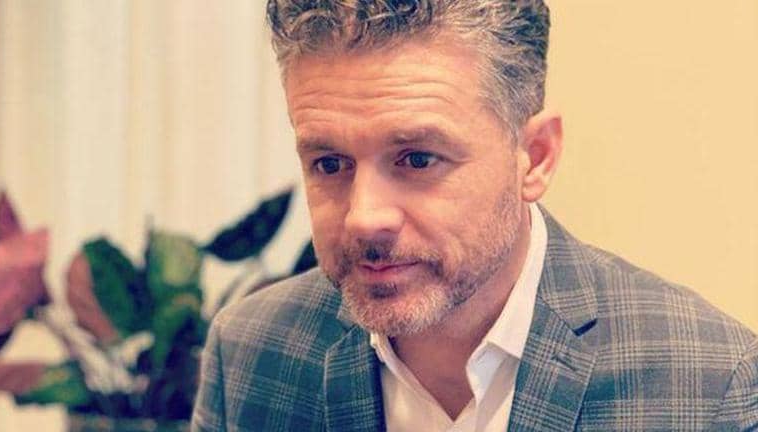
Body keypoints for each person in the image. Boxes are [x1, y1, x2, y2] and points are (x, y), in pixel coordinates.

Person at [192, 1, 758, 430]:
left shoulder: (710, 385)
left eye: (417, 159)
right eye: (330, 163)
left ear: (535, 157)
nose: (364, 218)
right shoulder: (249, 354)